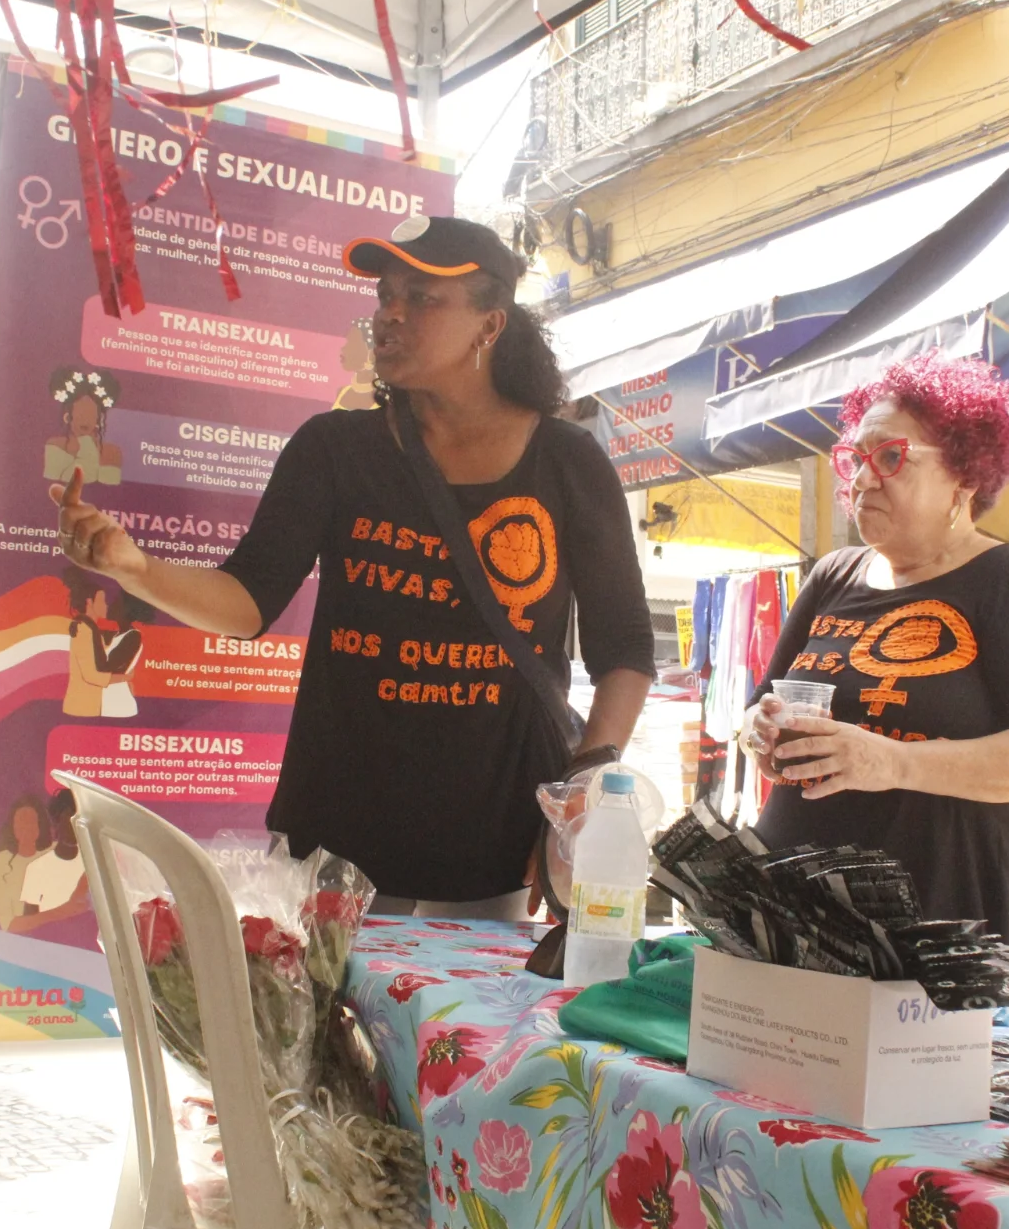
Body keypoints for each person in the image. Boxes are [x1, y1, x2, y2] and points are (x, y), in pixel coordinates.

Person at [48, 216, 656, 918]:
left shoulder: (569, 463)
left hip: (497, 844)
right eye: (385, 295)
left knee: (460, 1030)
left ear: (490, 326)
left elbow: (626, 651)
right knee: (326, 1026)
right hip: (335, 842)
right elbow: (248, 601)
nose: (390, 314)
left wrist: (580, 793)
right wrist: (136, 569)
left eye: (423, 297)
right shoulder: (334, 449)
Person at [740, 352, 1009, 971]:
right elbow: (757, 712)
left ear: (964, 474)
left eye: (891, 457)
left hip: (935, 927)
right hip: (795, 920)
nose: (863, 479)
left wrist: (888, 760)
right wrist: (758, 733)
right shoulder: (831, 576)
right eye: (856, 459)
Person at [10, 789, 90, 934]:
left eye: (79, 818)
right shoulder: (37, 869)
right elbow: (26, 923)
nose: (74, 826)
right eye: (69, 817)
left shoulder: (95, 867)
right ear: (56, 820)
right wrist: (62, 912)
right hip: (47, 946)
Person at [43, 366, 123, 486]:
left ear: (98, 417)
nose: (85, 419)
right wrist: (85, 443)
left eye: (90, 412)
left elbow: (109, 491)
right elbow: (58, 483)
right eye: (80, 412)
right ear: (69, 415)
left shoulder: (112, 452)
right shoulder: (56, 446)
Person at [0, 795, 52, 930]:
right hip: (18, 941)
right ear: (12, 826)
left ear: (40, 826)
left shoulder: (54, 853)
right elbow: (9, 925)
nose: (25, 827)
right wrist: (59, 913)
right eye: (20, 822)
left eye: (31, 822)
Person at [61, 566, 114, 717]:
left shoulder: (93, 631)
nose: (106, 605)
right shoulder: (84, 630)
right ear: (89, 602)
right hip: (80, 709)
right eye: (102, 601)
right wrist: (123, 678)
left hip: (88, 706)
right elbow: (91, 675)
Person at [95, 590, 156, 718]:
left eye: (117, 603)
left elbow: (107, 667)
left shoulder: (133, 636)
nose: (111, 605)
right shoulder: (115, 635)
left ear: (126, 611)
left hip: (118, 703)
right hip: (105, 699)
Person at [334, 318, 377, 411]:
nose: (343, 348)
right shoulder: (342, 392)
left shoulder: (385, 400)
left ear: (371, 353)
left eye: (352, 343)